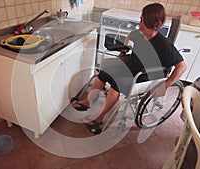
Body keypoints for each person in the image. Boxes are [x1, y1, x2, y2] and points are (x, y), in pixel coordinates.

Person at [70, 3, 187, 135]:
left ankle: (99, 119)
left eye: (144, 21)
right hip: (132, 66)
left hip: (145, 76)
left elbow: (182, 67)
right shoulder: (139, 34)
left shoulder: (164, 45)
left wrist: (166, 84)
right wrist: (121, 55)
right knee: (103, 73)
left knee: (116, 84)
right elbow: (129, 44)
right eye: (141, 19)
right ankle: (88, 101)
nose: (140, 24)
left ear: (157, 24)